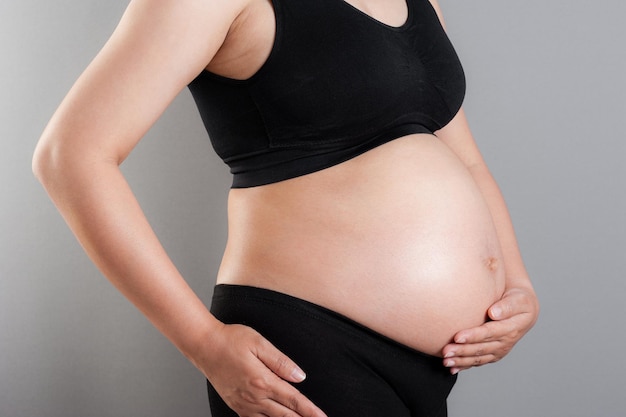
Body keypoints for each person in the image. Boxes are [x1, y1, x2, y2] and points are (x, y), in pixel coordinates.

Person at [33, 0, 539, 416]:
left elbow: (466, 161)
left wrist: (516, 284)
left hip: (431, 371)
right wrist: (203, 343)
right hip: (305, 355)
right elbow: (69, 156)